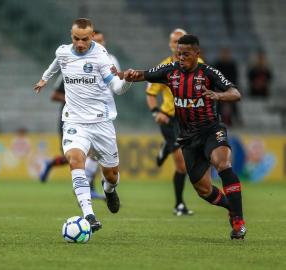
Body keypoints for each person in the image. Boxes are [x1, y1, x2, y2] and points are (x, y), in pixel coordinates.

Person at [122, 35, 246, 239]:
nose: (181, 57)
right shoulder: (170, 71)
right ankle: (231, 208)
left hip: (211, 130)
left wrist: (219, 95)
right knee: (203, 190)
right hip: (187, 138)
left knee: (222, 163)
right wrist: (125, 74)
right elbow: (144, 74)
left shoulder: (208, 73)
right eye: (178, 54)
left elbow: (235, 93)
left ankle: (239, 221)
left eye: (186, 54)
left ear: (197, 54)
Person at [34, 18, 131, 232]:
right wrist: (43, 79)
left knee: (111, 174)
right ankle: (89, 215)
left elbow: (116, 87)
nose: (79, 43)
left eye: (84, 39)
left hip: (101, 123)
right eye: (76, 38)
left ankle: (109, 190)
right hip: (74, 121)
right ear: (71, 36)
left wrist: (128, 80)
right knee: (75, 160)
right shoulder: (63, 52)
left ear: (92, 36)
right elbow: (55, 65)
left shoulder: (101, 56)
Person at [39, 29, 121, 201]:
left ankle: (54, 165)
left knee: (90, 157)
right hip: (75, 117)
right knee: (81, 156)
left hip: (101, 116)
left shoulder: (110, 61)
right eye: (95, 41)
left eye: (100, 41)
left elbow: (116, 85)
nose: (97, 44)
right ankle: (88, 190)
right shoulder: (71, 63)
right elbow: (54, 94)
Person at [145, 28, 201, 216]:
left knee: (193, 159)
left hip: (189, 118)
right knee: (182, 165)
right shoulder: (164, 67)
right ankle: (179, 204)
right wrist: (155, 112)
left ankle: (166, 148)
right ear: (171, 45)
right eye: (174, 42)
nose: (178, 46)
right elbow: (151, 94)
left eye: (181, 42)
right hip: (169, 119)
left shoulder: (199, 65)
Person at [213, 47, 241, 126]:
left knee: (234, 100)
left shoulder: (232, 65)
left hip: (229, 88)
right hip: (219, 90)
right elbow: (215, 79)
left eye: (227, 54)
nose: (225, 55)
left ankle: (236, 119)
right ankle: (217, 120)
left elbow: (235, 79)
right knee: (218, 102)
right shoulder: (217, 64)